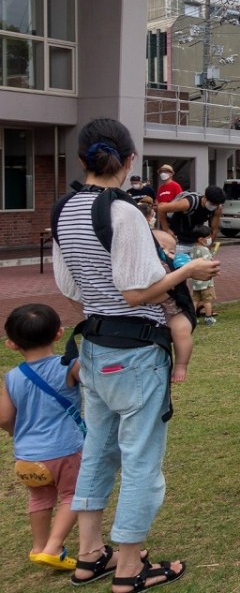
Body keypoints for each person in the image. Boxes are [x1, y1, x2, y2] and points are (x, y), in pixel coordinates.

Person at [53, 117, 218, 590]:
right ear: (129, 161)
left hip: (94, 347)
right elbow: (138, 291)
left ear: (83, 158)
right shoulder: (122, 212)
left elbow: (69, 286)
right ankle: (128, 567)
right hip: (136, 351)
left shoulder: (63, 209)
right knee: (142, 458)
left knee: (98, 453)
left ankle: (90, 555)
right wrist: (190, 272)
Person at [0, 304, 84, 572]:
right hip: (65, 450)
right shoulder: (69, 366)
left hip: (26, 456)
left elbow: (3, 418)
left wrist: (16, 432)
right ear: (59, 333)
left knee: (39, 499)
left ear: (11, 344)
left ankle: (38, 546)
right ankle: (54, 547)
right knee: (74, 495)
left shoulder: (12, 377)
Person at [149, 230, 198, 384]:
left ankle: (181, 365)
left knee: (181, 330)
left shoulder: (175, 264)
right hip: (153, 313)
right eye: (165, 249)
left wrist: (184, 266)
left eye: (172, 251)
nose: (170, 254)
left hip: (175, 311)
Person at [156, 184, 225, 257]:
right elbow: (161, 208)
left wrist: (208, 249)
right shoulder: (188, 203)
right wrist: (166, 229)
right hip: (178, 241)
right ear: (205, 198)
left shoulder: (217, 208)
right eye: (212, 204)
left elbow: (214, 230)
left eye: (216, 205)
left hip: (196, 242)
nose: (213, 206)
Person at [188, 226, 217, 325]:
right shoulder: (204, 249)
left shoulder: (193, 249)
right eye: (208, 237)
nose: (210, 239)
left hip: (195, 280)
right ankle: (208, 317)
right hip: (206, 280)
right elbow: (208, 263)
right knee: (207, 299)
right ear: (201, 239)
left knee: (195, 299)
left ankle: (192, 317)